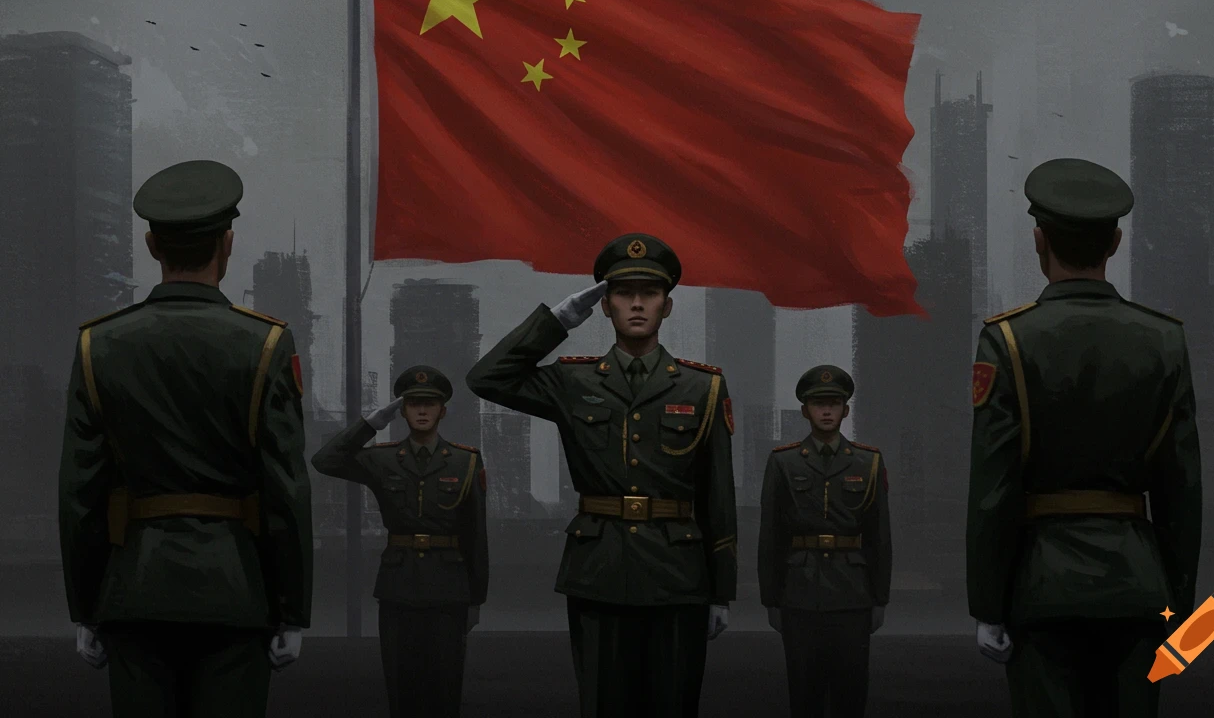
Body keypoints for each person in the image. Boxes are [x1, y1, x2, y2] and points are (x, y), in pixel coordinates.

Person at [58, 159, 313, 718]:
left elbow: (81, 495)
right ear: (227, 243)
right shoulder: (265, 345)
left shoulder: (97, 346)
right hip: (236, 592)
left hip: (134, 593)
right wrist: (292, 610)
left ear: (152, 245)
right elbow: (285, 489)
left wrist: (86, 607)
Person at [965, 157, 1201, 718]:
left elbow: (993, 490)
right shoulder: (1164, 342)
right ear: (1115, 241)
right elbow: (1181, 492)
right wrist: (1181, 614)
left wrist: (988, 607)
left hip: (1041, 591)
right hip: (1138, 591)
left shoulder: (1008, 342)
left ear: (1038, 241)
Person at [466, 233, 737, 718]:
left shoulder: (703, 387)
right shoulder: (573, 381)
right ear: (606, 305)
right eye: (623, 293)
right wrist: (561, 318)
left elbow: (718, 497)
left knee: (674, 705)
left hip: (678, 574)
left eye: (649, 293)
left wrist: (722, 592)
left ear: (667, 306)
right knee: (603, 705)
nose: (637, 303)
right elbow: (488, 378)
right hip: (600, 569)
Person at [311, 365, 487, 718]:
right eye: (413, 404)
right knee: (401, 687)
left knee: (445, 687)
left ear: (442, 410)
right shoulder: (382, 458)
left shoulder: (467, 461)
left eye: (430, 404)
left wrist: (475, 599)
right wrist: (371, 423)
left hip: (448, 587)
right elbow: (325, 460)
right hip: (399, 585)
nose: (422, 411)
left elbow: (475, 534)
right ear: (402, 410)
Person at [757, 364, 891, 718]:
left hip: (852, 592)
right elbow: (771, 535)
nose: (827, 410)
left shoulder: (868, 461)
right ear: (805, 411)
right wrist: (771, 597)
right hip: (800, 590)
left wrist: (880, 597)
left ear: (846, 409)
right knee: (804, 691)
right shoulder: (783, 462)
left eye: (834, 403)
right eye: (819, 404)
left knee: (851, 691)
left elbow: (879, 536)